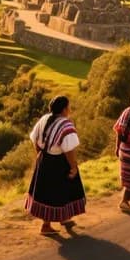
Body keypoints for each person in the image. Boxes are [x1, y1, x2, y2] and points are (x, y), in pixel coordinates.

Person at [26, 96, 86, 234]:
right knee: (56, 192)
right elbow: (69, 149)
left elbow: (34, 138)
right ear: (64, 109)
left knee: (48, 191)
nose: (69, 109)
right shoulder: (66, 124)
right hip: (58, 163)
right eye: (68, 107)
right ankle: (46, 226)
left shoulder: (44, 119)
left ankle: (62, 218)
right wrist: (73, 166)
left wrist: (40, 153)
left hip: (44, 160)